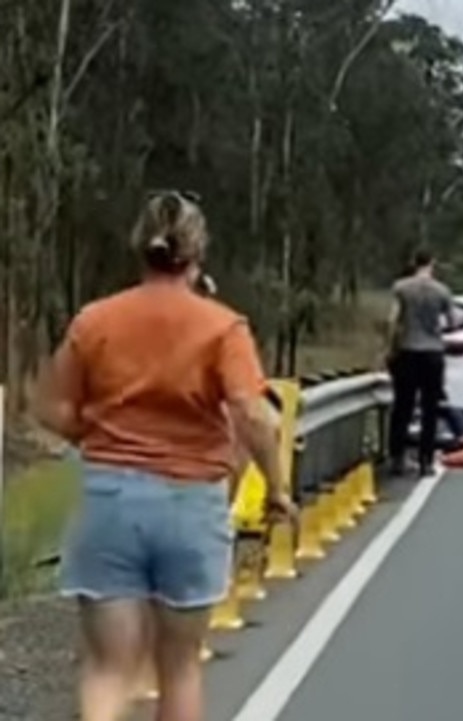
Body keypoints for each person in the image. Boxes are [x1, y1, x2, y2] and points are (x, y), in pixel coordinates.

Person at [35, 191, 295, 721]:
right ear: (198, 253)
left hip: (110, 499)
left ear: (140, 247)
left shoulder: (96, 320)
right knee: (179, 666)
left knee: (109, 667)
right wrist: (276, 486)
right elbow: (254, 414)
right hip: (190, 501)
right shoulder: (223, 327)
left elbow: (52, 407)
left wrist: (102, 437)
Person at [385, 248, 454, 476]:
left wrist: (391, 347)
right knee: (429, 409)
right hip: (432, 353)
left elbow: (392, 321)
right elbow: (451, 323)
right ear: (432, 264)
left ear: (414, 263)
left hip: (408, 350)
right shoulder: (442, 291)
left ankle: (397, 458)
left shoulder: (402, 288)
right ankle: (426, 461)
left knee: (403, 406)